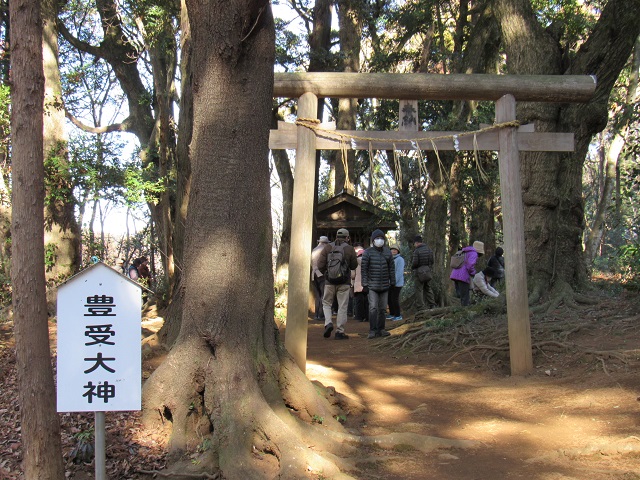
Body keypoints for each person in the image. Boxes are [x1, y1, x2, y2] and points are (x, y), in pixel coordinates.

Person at [317, 228, 358, 340]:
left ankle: (328, 323)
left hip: (329, 281)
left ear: (336, 237)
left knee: (326, 303)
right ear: (347, 237)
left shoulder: (328, 247)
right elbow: (354, 266)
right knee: (342, 306)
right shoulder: (349, 249)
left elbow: (320, 265)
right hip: (344, 282)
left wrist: (327, 273)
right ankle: (340, 331)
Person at [361, 229, 395, 339]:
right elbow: (364, 270)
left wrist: (393, 281)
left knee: (382, 309)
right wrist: (365, 284)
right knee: (373, 308)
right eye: (377, 238)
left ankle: (381, 329)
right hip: (372, 286)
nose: (379, 240)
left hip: (385, 285)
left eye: (381, 238)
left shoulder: (387, 252)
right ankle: (372, 330)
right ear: (373, 240)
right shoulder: (367, 253)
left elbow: (391, 268)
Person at [450, 240, 484, 306]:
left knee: (461, 295)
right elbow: (470, 265)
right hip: (463, 276)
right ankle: (465, 312)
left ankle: (461, 310)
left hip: (455, 275)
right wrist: (473, 272)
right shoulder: (474, 253)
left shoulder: (465, 251)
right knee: (465, 297)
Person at [412, 235, 436, 310]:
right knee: (428, 288)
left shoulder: (417, 251)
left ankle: (421, 306)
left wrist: (413, 268)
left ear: (416, 243)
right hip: (427, 271)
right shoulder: (429, 249)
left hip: (419, 272)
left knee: (419, 289)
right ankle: (432, 304)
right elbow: (432, 261)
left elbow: (415, 263)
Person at [311, 236, 330, 321]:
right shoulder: (325, 250)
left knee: (317, 295)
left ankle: (316, 315)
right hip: (322, 274)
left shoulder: (314, 250)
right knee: (323, 294)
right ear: (325, 243)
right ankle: (321, 314)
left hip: (313, 274)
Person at [352, 243, 369, 322]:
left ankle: (359, 317)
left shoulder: (355, 262)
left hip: (358, 284)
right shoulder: (369, 262)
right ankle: (367, 316)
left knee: (358, 301)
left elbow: (352, 275)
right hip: (367, 284)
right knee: (367, 301)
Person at [387, 245, 404, 321]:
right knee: (389, 298)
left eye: (395, 250)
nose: (393, 251)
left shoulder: (400, 259)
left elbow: (399, 272)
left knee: (395, 299)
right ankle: (392, 313)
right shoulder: (390, 259)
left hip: (397, 283)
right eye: (392, 250)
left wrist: (394, 282)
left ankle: (398, 315)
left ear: (398, 251)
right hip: (390, 282)